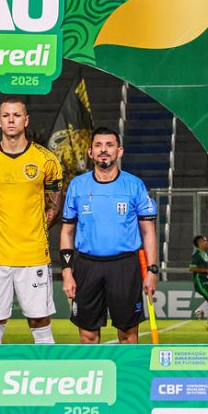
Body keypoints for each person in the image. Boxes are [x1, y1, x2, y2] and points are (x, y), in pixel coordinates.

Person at [0, 98, 63, 344]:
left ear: (26, 120)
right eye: (6, 115)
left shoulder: (46, 159)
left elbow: (55, 205)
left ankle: (48, 369)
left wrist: (35, 230)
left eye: (17, 115)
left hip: (33, 255)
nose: (11, 120)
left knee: (40, 323)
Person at [60, 127, 158, 344]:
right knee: (87, 335)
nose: (103, 150)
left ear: (119, 151)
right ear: (90, 152)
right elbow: (67, 232)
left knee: (128, 334)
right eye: (98, 145)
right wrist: (67, 272)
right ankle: (93, 368)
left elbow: (148, 231)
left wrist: (152, 270)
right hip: (87, 266)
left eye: (109, 145)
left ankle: (127, 369)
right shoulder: (77, 185)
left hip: (125, 266)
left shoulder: (134, 185)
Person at [189, 235, 208, 331]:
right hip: (201, 282)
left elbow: (205, 269)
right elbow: (192, 268)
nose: (206, 242)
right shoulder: (196, 255)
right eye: (204, 241)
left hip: (206, 281)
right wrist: (206, 270)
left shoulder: (204, 254)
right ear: (199, 243)